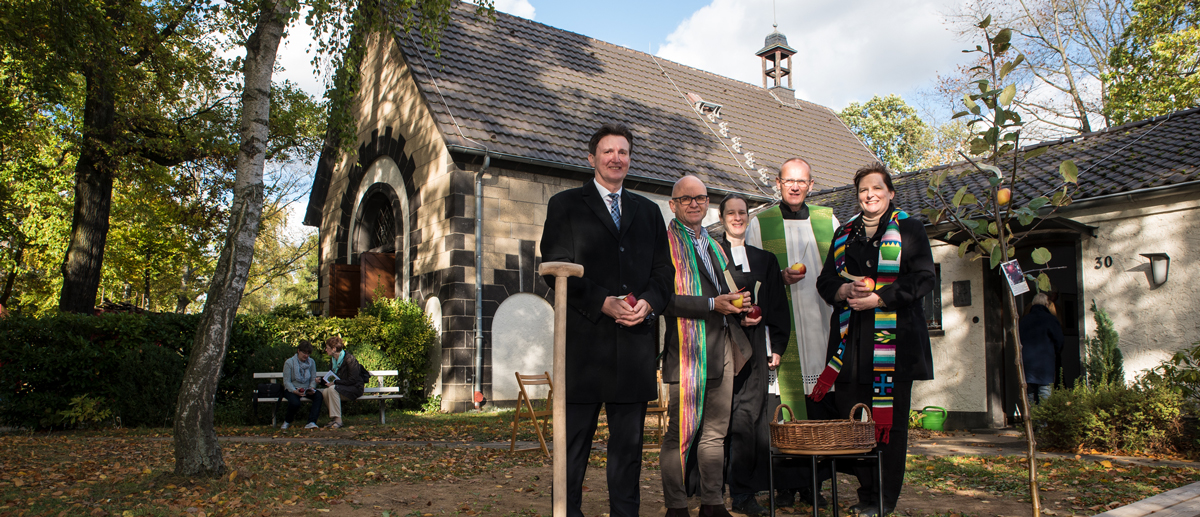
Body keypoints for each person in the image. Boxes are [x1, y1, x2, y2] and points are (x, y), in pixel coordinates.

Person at [539, 123, 674, 517]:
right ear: (592, 158)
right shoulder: (565, 205)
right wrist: (602, 302)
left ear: (630, 159)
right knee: (574, 446)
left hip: (634, 348)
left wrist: (648, 302)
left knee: (628, 450)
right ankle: (567, 512)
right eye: (608, 152)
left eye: (624, 152)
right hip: (583, 347)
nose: (617, 158)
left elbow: (664, 274)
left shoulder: (649, 212)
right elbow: (554, 268)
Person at [813, 163, 935, 516]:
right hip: (850, 348)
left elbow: (925, 278)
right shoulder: (844, 234)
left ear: (890, 192)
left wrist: (880, 298)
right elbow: (825, 282)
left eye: (877, 188)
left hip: (894, 348)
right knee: (857, 425)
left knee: (889, 428)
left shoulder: (909, 228)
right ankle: (866, 495)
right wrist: (845, 289)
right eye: (864, 190)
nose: (870, 194)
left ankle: (882, 501)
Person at [744, 157, 840, 506]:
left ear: (811, 185)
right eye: (789, 181)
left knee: (820, 409)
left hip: (822, 325)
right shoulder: (761, 223)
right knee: (783, 409)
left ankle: (814, 484)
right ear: (778, 183)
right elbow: (753, 278)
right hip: (784, 329)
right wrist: (777, 277)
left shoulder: (828, 221)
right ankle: (784, 485)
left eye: (802, 181)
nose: (795, 186)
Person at [660, 175, 752, 517]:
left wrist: (741, 304)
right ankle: (676, 506)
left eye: (700, 197)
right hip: (687, 351)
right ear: (673, 205)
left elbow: (723, 288)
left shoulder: (714, 244)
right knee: (680, 433)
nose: (694, 203)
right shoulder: (663, 243)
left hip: (723, 346)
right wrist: (715, 304)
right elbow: (664, 299)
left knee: (715, 432)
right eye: (686, 199)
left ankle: (712, 503)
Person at [718, 194, 791, 515]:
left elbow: (776, 303)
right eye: (731, 213)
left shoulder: (765, 259)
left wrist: (777, 344)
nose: (737, 217)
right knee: (719, 420)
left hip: (755, 350)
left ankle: (745, 493)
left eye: (742, 213)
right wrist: (736, 315)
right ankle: (712, 489)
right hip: (721, 345)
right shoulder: (711, 255)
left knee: (750, 420)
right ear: (721, 218)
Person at [1020, 293, 1063, 405]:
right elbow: (1059, 341)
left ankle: (1031, 420)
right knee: (1045, 393)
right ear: (1046, 304)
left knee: (1029, 394)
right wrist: (1056, 352)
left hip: (1027, 362)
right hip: (1045, 362)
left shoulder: (1024, 320)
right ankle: (1043, 422)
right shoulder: (1051, 320)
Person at [318, 336, 366, 429]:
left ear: (334, 349)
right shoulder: (333, 360)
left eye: (327, 348)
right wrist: (320, 380)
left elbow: (353, 379)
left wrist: (335, 382)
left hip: (354, 388)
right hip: (342, 388)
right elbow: (332, 378)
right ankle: (334, 419)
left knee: (332, 389)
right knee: (325, 391)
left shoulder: (349, 359)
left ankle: (339, 421)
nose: (325, 350)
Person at [281, 340, 323, 429]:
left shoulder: (311, 362)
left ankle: (311, 422)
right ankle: (287, 421)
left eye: (308, 353)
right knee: (295, 402)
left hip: (306, 388)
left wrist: (311, 388)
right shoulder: (289, 362)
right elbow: (287, 381)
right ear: (298, 351)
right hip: (292, 389)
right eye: (304, 352)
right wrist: (294, 391)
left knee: (318, 396)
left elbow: (313, 378)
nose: (306, 355)